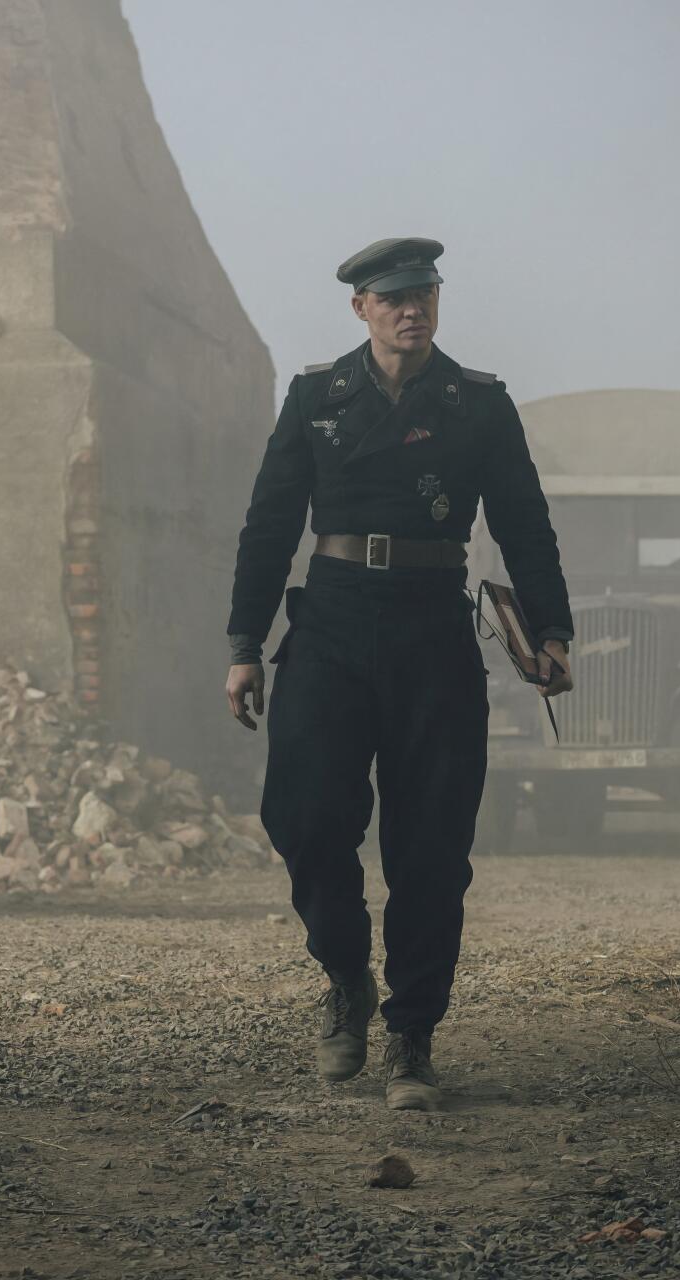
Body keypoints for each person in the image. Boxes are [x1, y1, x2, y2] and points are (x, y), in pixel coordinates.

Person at [224, 237, 574, 1110]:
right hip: (333, 617)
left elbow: (526, 525)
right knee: (304, 815)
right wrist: (242, 645)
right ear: (362, 309)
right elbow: (269, 527)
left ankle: (411, 1040)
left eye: (424, 294)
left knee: (430, 845)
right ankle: (347, 979)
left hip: (431, 626)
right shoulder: (316, 398)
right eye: (393, 298)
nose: (411, 309)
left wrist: (553, 632)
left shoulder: (480, 406)